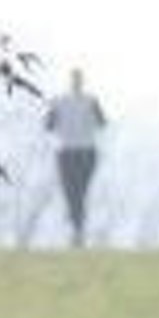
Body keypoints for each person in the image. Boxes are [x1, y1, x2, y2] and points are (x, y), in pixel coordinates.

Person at [44, 67, 108, 246]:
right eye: (75, 79)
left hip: (85, 151)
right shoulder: (59, 101)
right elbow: (48, 125)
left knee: (79, 192)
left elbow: (102, 123)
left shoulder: (91, 101)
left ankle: (77, 228)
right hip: (67, 151)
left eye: (78, 79)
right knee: (71, 192)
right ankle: (76, 229)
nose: (76, 83)